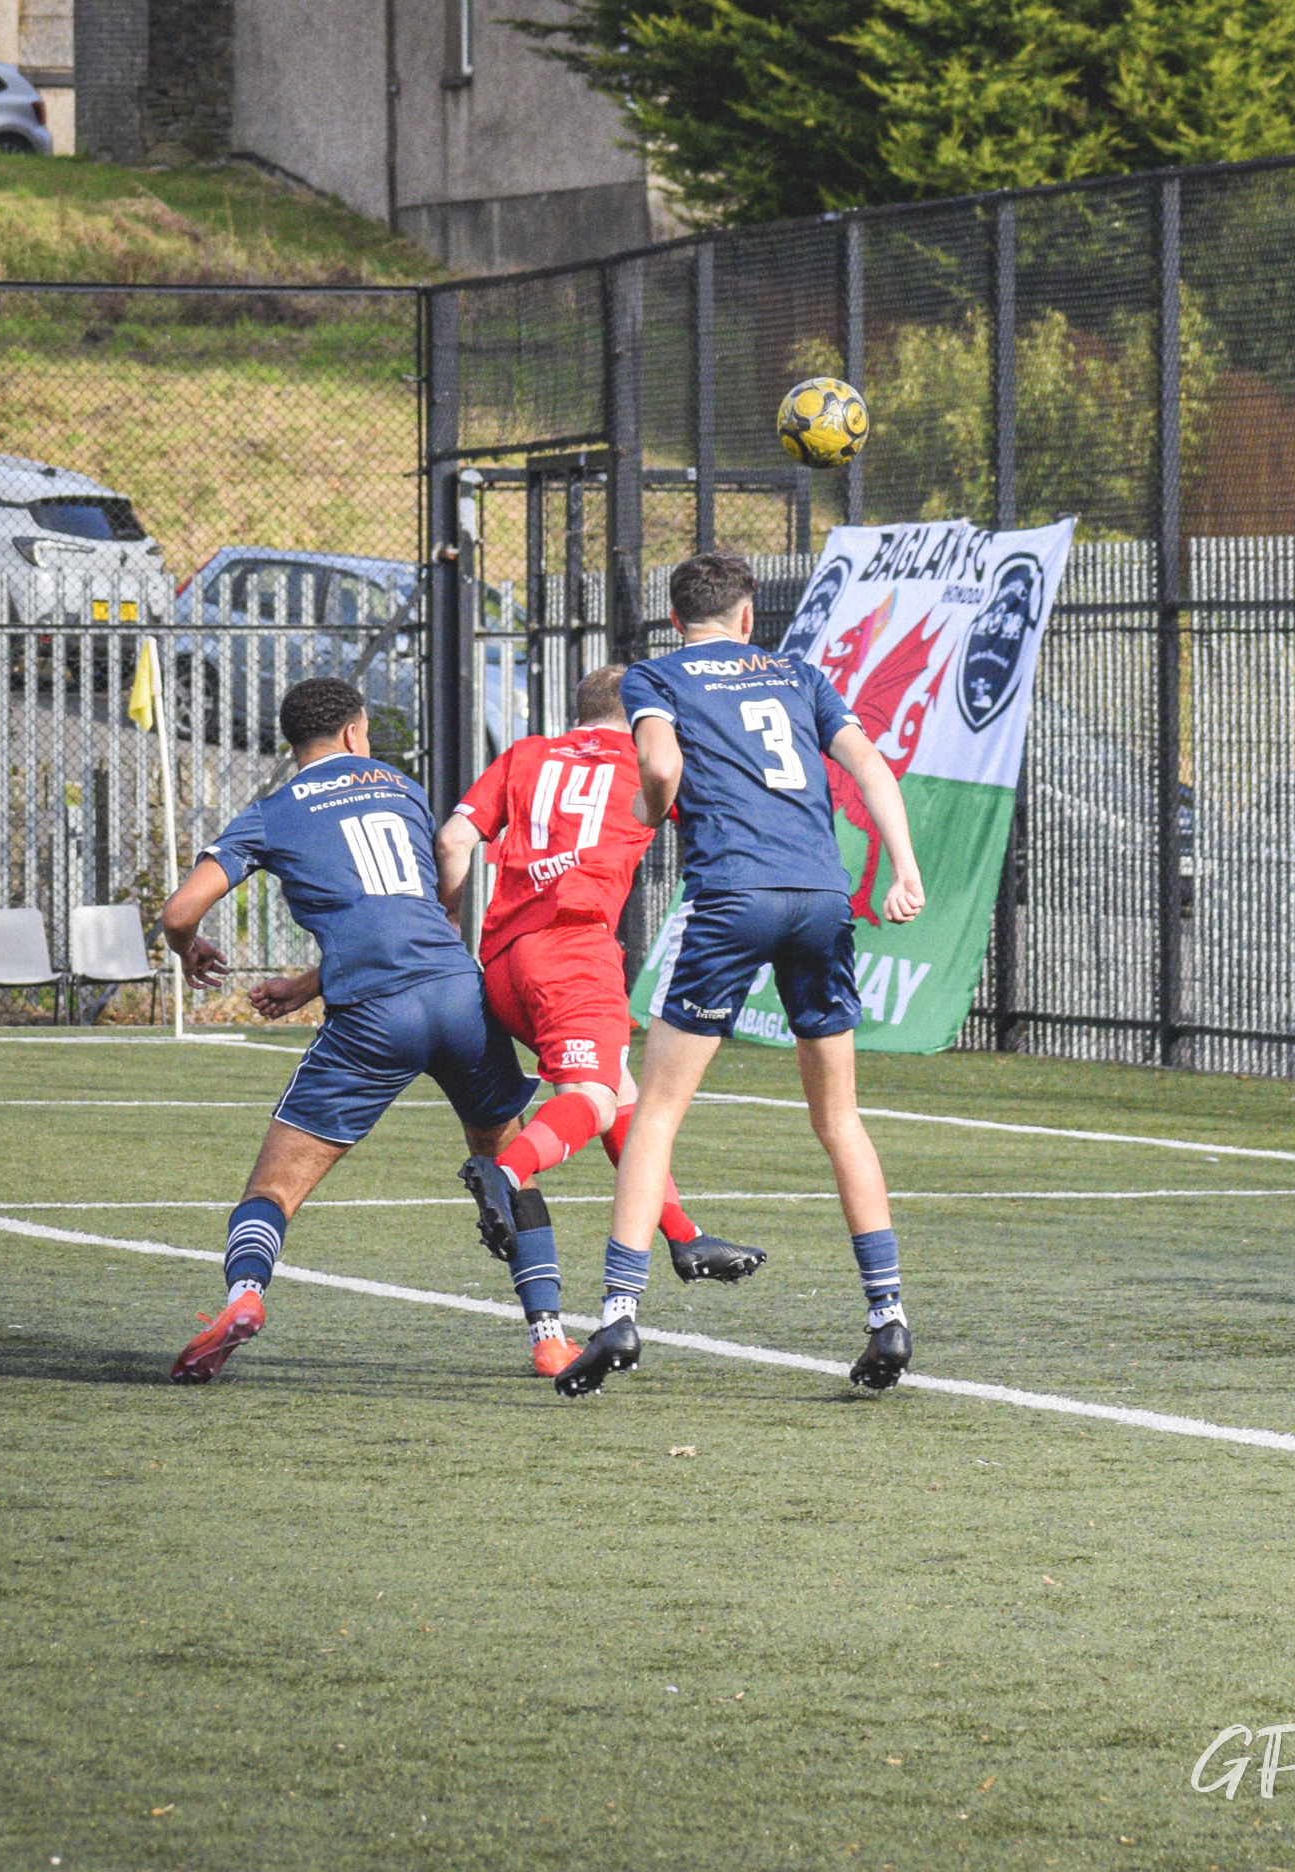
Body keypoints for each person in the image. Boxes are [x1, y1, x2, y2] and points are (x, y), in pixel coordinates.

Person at [550, 553, 927, 1398]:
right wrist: (902, 868)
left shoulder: (655, 677)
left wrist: (653, 813)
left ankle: (617, 1311)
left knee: (656, 1113)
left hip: (734, 896)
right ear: (749, 617)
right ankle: (888, 1317)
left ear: (675, 618)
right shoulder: (798, 673)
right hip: (822, 895)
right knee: (840, 1120)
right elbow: (868, 765)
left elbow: (658, 768)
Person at [158, 677, 541, 1383]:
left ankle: (245, 1296)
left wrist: (189, 951)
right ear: (357, 733)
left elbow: (181, 911)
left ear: (296, 743)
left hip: (374, 1015)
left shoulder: (273, 812)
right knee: (505, 1166)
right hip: (458, 997)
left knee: (272, 1192)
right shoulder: (400, 787)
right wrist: (307, 984)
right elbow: (407, 911)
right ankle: (548, 1332)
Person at [433, 662, 769, 1377]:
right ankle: (506, 1172)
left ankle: (684, 1235)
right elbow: (715, 823)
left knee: (619, 1095)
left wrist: (447, 924)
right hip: (575, 953)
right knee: (587, 1099)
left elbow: (454, 840)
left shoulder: (526, 754)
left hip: (504, 965)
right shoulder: (645, 758)